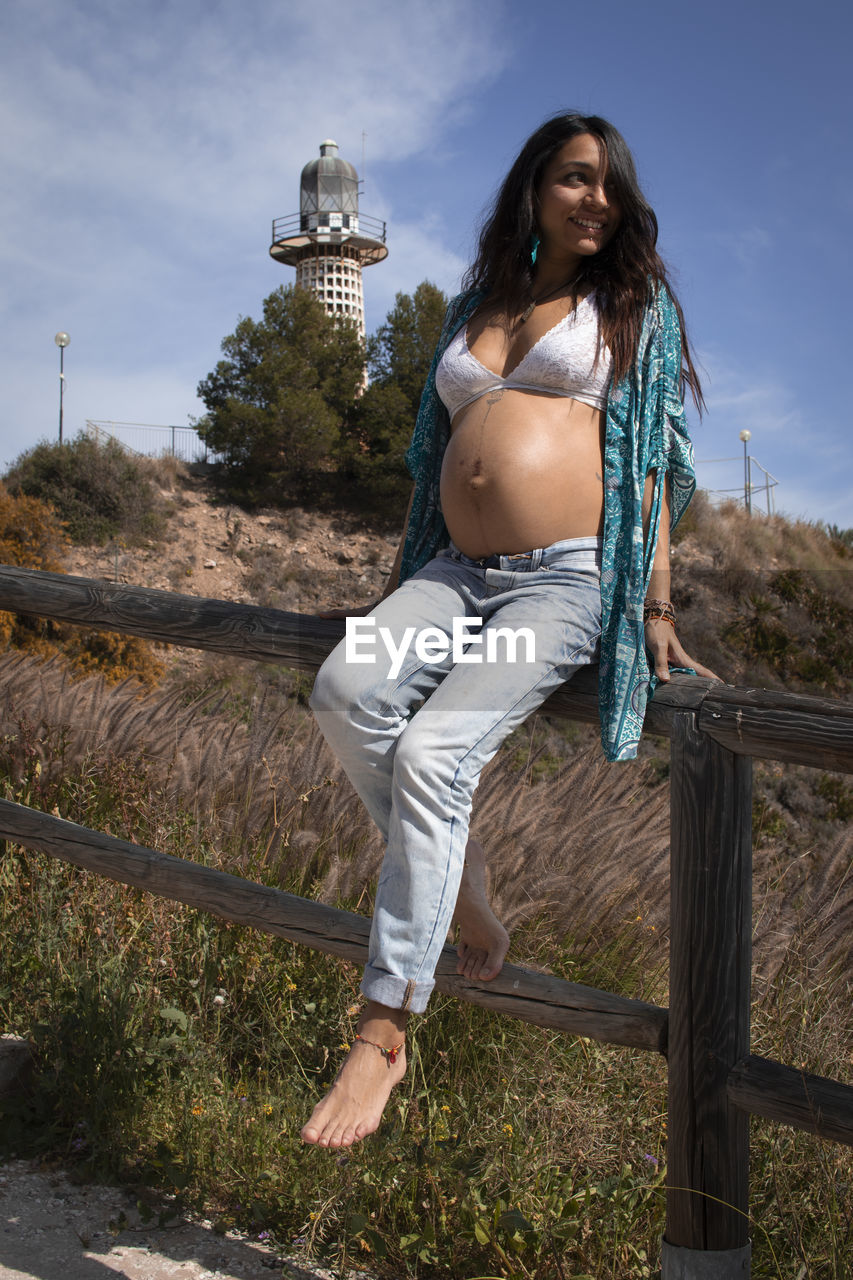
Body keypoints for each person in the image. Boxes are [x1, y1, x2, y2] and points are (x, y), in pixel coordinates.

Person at [303, 112, 718, 1149]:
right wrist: (393, 584)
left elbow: (655, 463)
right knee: (346, 689)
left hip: (560, 584)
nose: (595, 201)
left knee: (438, 749)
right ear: (534, 185)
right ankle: (464, 880)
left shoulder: (631, 305)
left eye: (609, 186)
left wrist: (657, 607)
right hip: (453, 575)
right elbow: (436, 459)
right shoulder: (475, 302)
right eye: (576, 178)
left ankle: (385, 1025)